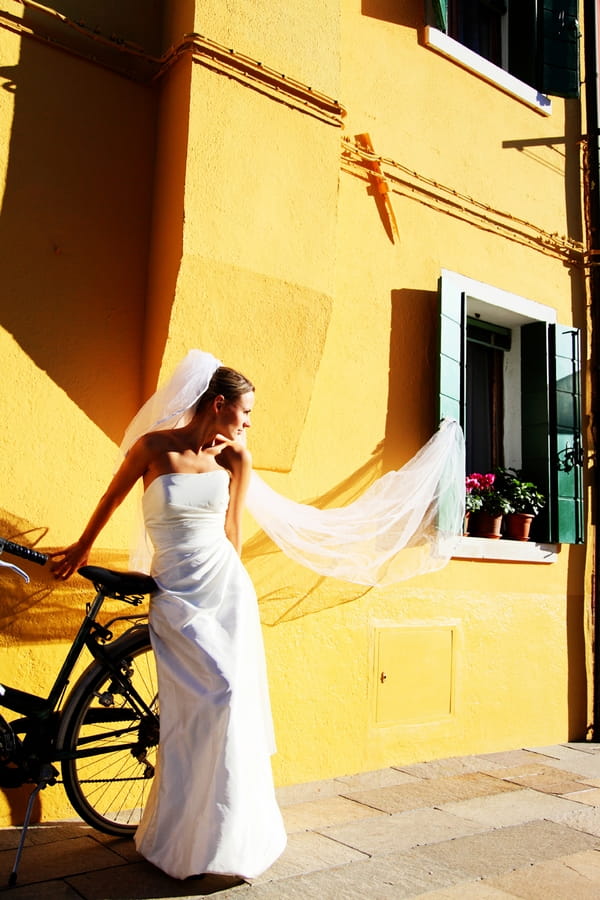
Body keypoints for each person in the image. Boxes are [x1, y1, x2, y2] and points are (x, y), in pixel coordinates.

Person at [50, 351, 287, 881]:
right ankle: (178, 835)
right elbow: (112, 497)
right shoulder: (153, 448)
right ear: (218, 404)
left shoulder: (235, 460)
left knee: (229, 700)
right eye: (244, 411)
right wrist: (82, 549)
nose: (248, 423)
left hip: (225, 589)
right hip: (176, 592)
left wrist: (237, 590)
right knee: (203, 703)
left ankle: (222, 839)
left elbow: (233, 533)